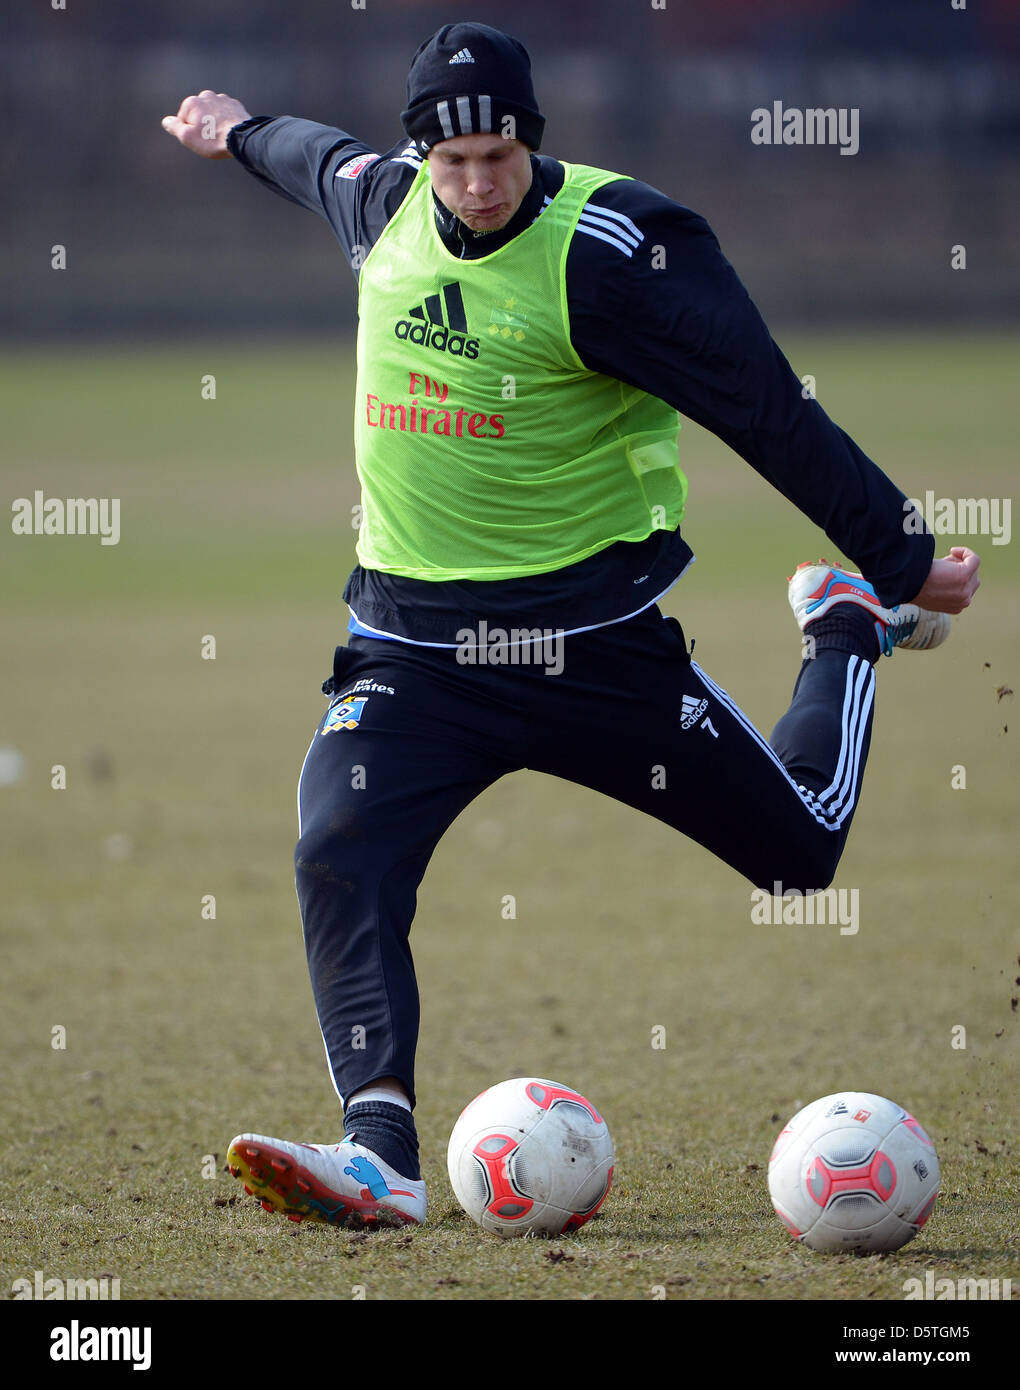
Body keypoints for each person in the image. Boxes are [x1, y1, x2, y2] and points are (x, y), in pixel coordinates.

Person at [162, 22, 980, 1230]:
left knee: (800, 856)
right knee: (337, 841)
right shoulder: (379, 203)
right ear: (419, 158)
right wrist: (232, 132)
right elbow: (308, 153)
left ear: (531, 141)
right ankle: (380, 1147)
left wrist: (900, 554)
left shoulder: (614, 252)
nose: (478, 185)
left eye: (499, 157)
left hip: (590, 653)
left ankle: (843, 631)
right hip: (414, 654)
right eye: (454, 166)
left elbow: (761, 400)